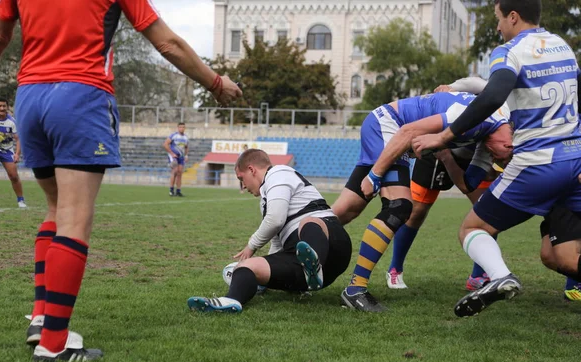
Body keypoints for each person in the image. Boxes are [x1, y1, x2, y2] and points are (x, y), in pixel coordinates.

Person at [0, 0, 241, 362]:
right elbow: (167, 43)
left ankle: (42, 319)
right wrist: (215, 83)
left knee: (56, 210)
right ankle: (53, 345)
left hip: (30, 99)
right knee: (74, 217)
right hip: (80, 95)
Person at [412, 0, 581, 317]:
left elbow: (491, 96)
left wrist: (444, 136)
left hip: (538, 163)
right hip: (575, 160)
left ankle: (501, 277)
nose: (498, 27)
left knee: (472, 228)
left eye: (498, 19)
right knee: (560, 257)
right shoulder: (562, 46)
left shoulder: (510, 51)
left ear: (514, 17)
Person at [331, 91, 513, 312]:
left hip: (393, 133)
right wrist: (374, 175)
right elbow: (408, 131)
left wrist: (447, 158)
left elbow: (467, 184)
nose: (493, 160)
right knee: (399, 206)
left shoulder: (491, 140)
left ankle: (296, 240)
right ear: (508, 145)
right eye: (498, 158)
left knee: (346, 210)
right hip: (390, 124)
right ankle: (355, 290)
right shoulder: (474, 116)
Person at [187, 149, 352, 313]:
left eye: (241, 178)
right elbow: (277, 241)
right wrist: (265, 271)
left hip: (331, 243)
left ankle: (314, 264)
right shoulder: (265, 200)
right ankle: (231, 300)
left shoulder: (278, 172)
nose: (243, 186)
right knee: (246, 266)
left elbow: (275, 219)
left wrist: (251, 246)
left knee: (308, 223)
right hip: (301, 262)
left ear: (252, 170)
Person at [387, 146, 499, 291]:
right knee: (416, 212)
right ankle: (395, 268)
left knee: (488, 213)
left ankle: (478, 276)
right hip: (438, 150)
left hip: (475, 155)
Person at [163, 122, 189, 197]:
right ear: (178, 128)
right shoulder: (173, 135)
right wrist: (171, 153)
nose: (182, 128)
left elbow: (186, 147)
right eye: (180, 127)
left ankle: (178, 191)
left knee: (180, 173)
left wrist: (186, 155)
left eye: (183, 127)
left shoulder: (186, 138)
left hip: (181, 156)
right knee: (175, 171)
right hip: (174, 156)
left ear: (185, 128)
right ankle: (171, 190)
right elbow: (165, 144)